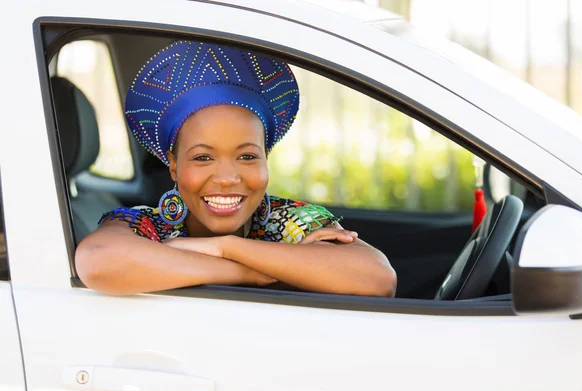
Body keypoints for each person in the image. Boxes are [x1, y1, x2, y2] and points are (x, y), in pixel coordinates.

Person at [75, 40, 396, 297]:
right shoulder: (145, 226)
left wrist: (223, 246)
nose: (228, 178)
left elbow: (377, 278)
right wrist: (256, 274)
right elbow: (97, 260)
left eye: (246, 157)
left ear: (266, 159)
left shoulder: (290, 220)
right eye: (203, 158)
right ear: (173, 165)